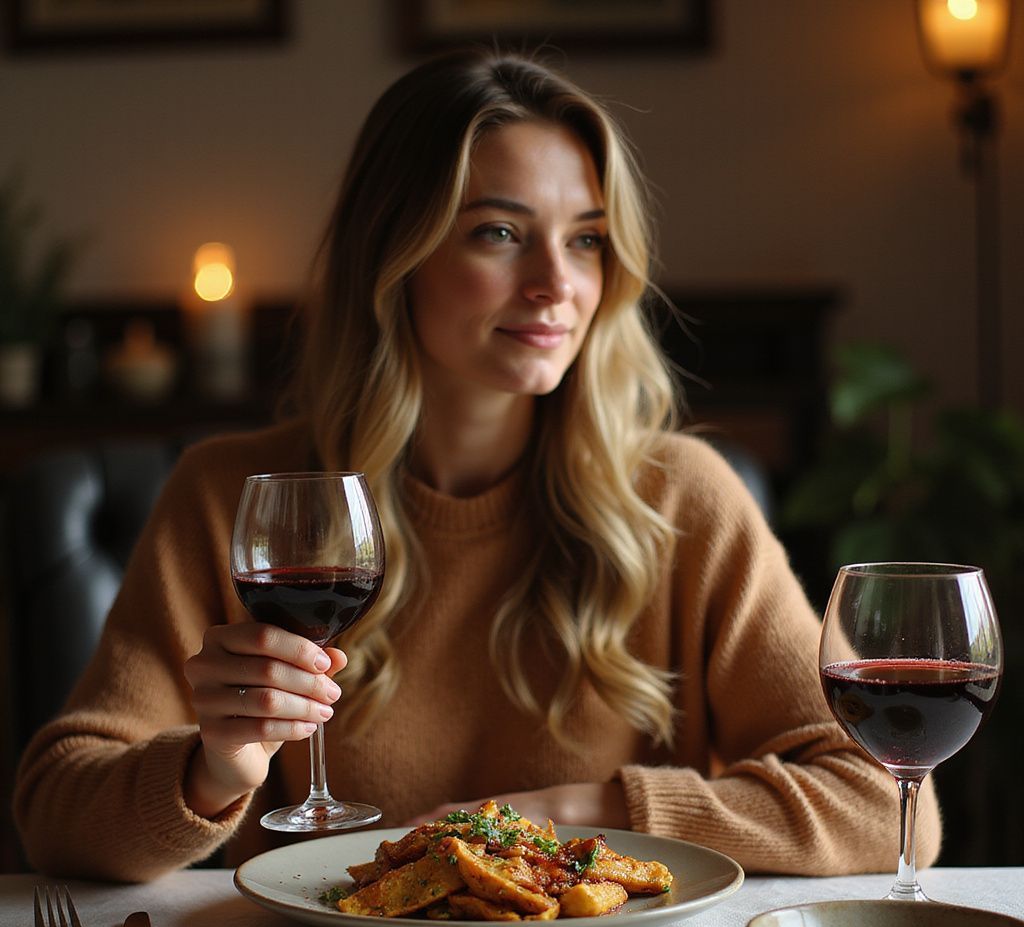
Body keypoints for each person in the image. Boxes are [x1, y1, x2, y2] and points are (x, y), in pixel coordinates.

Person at [14, 50, 939, 883]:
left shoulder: (682, 498)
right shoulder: (231, 499)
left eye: (585, 237)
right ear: (396, 252)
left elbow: (886, 802)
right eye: (498, 232)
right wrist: (214, 765)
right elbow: (55, 818)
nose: (557, 283)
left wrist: (581, 813)